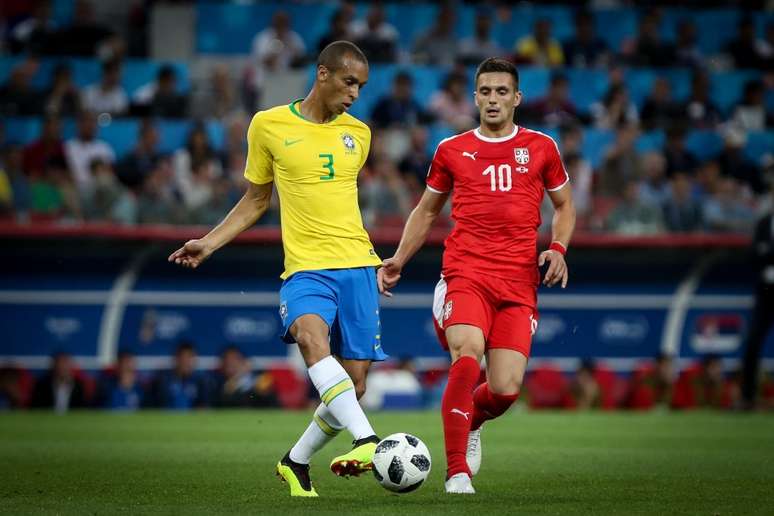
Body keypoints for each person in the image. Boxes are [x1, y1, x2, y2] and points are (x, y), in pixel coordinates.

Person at [168, 41, 384, 497]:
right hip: (307, 269)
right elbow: (256, 199)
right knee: (310, 338)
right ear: (322, 74)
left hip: (359, 266)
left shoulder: (359, 134)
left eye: (361, 86)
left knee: (355, 386)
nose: (355, 95)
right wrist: (208, 243)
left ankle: (295, 461)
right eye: (349, 82)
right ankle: (367, 440)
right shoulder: (267, 125)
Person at [378, 58, 575, 494]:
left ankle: (471, 422)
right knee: (467, 356)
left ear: (517, 98)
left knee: (504, 390)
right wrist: (399, 259)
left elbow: (564, 205)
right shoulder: (451, 149)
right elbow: (427, 210)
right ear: (475, 97)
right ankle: (455, 472)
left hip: (519, 283)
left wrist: (558, 248)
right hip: (465, 273)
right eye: (485, 91)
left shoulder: (542, 147)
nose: (492, 99)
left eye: (501, 91)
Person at [741, 195, 774, 409]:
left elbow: (762, 252)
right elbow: (753, 254)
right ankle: (748, 397)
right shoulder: (763, 223)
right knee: (752, 343)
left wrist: (767, 253)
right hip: (765, 293)